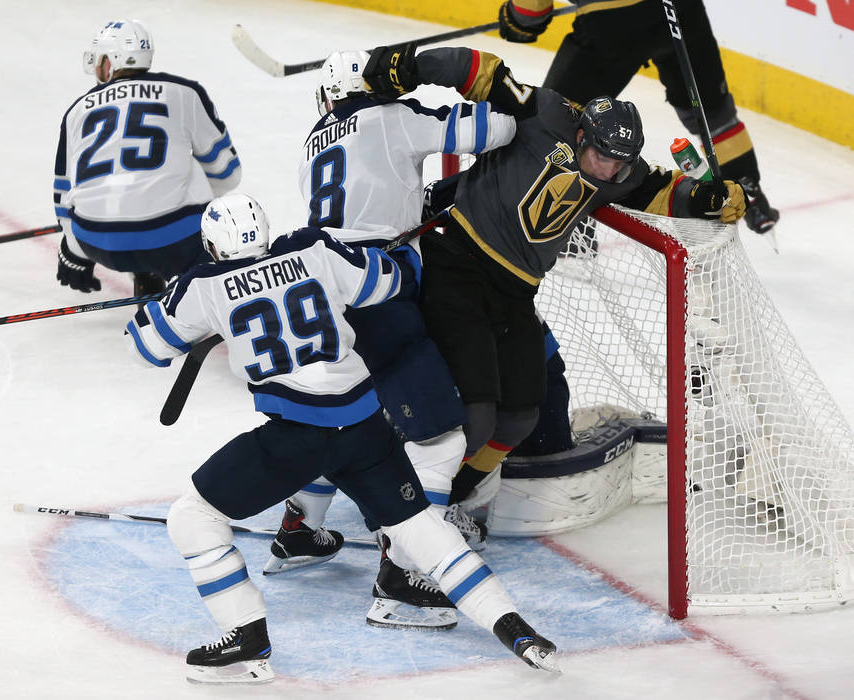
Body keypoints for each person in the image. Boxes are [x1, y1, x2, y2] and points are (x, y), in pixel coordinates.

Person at [125, 193, 560, 683]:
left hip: (296, 440)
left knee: (192, 517)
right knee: (421, 530)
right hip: (365, 432)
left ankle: (246, 634)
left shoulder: (201, 286)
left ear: (212, 246)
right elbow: (389, 281)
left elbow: (145, 348)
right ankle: (515, 629)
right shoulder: (313, 249)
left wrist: (160, 306)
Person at [361, 43, 746, 519]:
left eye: (620, 164)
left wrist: (708, 199)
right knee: (476, 416)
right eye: (603, 157)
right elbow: (477, 70)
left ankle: (448, 499)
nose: (610, 171)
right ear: (581, 133)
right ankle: (410, 511)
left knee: (520, 417)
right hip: (458, 267)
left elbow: (663, 191)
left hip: (517, 293)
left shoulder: (620, 170)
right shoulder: (543, 113)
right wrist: (410, 67)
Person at [266, 50, 518, 630]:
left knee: (340, 416)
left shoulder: (313, 141)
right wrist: (508, 91)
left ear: (329, 96)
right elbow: (498, 128)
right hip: (378, 291)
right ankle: (401, 580)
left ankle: (300, 529)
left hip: (323, 291)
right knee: (440, 442)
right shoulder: (392, 117)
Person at [497, 0, 779, 234]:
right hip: (681, 9)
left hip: (612, 18)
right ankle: (749, 197)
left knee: (563, 119)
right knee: (714, 115)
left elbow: (529, 13)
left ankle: (569, 231)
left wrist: (517, 21)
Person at [53, 19, 242, 297]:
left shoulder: (76, 111)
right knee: (187, 168)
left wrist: (74, 248)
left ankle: (146, 275)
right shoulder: (184, 92)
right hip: (172, 244)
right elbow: (228, 174)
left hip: (94, 242)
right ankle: (192, 283)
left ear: (110, 63)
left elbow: (62, 199)